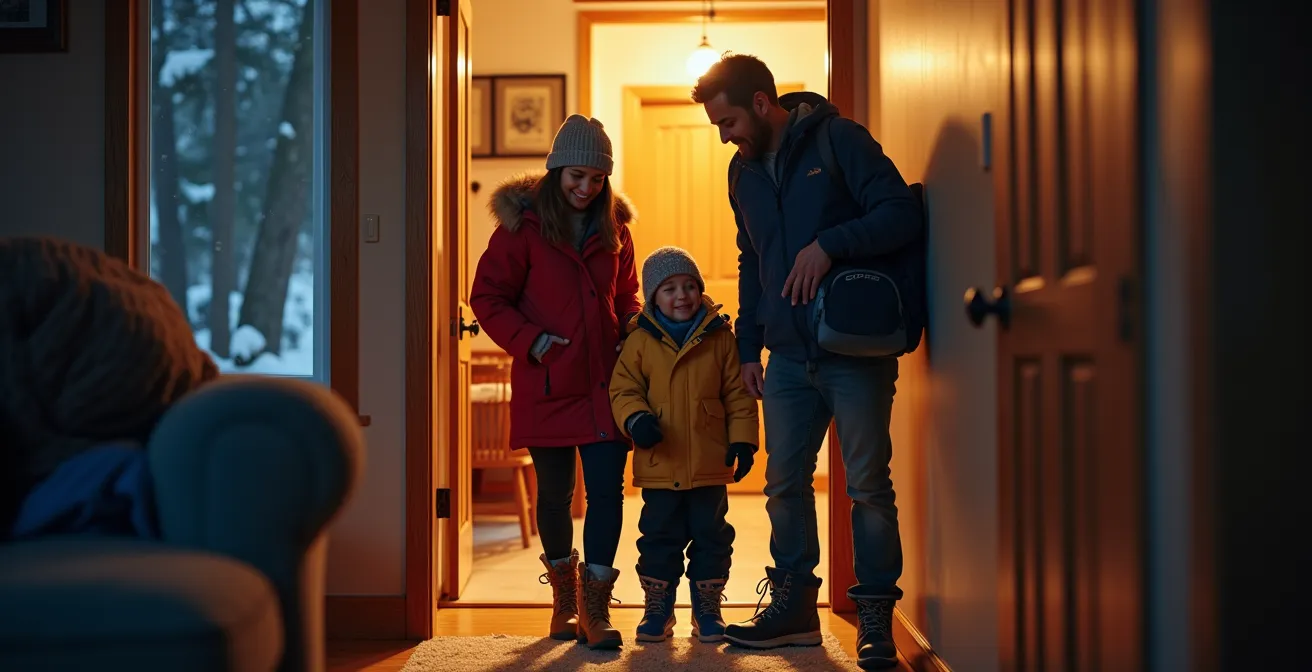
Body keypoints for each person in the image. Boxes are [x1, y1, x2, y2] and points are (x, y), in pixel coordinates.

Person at [692, 54, 923, 669]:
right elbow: (750, 260)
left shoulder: (838, 139)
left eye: (729, 122)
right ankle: (795, 611)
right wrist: (748, 347)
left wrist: (830, 245)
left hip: (856, 350)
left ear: (762, 103)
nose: (725, 136)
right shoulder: (741, 173)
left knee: (868, 486)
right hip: (788, 357)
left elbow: (900, 213)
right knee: (783, 486)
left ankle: (875, 618)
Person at [469, 114, 640, 650]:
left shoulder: (616, 229)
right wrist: (532, 340)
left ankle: (595, 608)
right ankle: (565, 602)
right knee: (555, 494)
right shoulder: (521, 229)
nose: (586, 188)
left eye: (597, 178)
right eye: (576, 177)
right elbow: (487, 297)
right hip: (548, 381)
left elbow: (627, 295)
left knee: (607, 493)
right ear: (556, 170)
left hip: (606, 384)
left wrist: (632, 328)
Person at [609, 246, 760, 644]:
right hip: (661, 462)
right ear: (653, 297)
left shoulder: (719, 337)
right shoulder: (639, 341)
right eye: (670, 288)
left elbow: (737, 394)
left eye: (690, 286)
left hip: (710, 462)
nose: (682, 296)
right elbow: (623, 389)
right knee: (659, 537)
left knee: (713, 536)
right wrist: (636, 418)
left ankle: (707, 608)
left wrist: (743, 440)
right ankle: (657, 607)